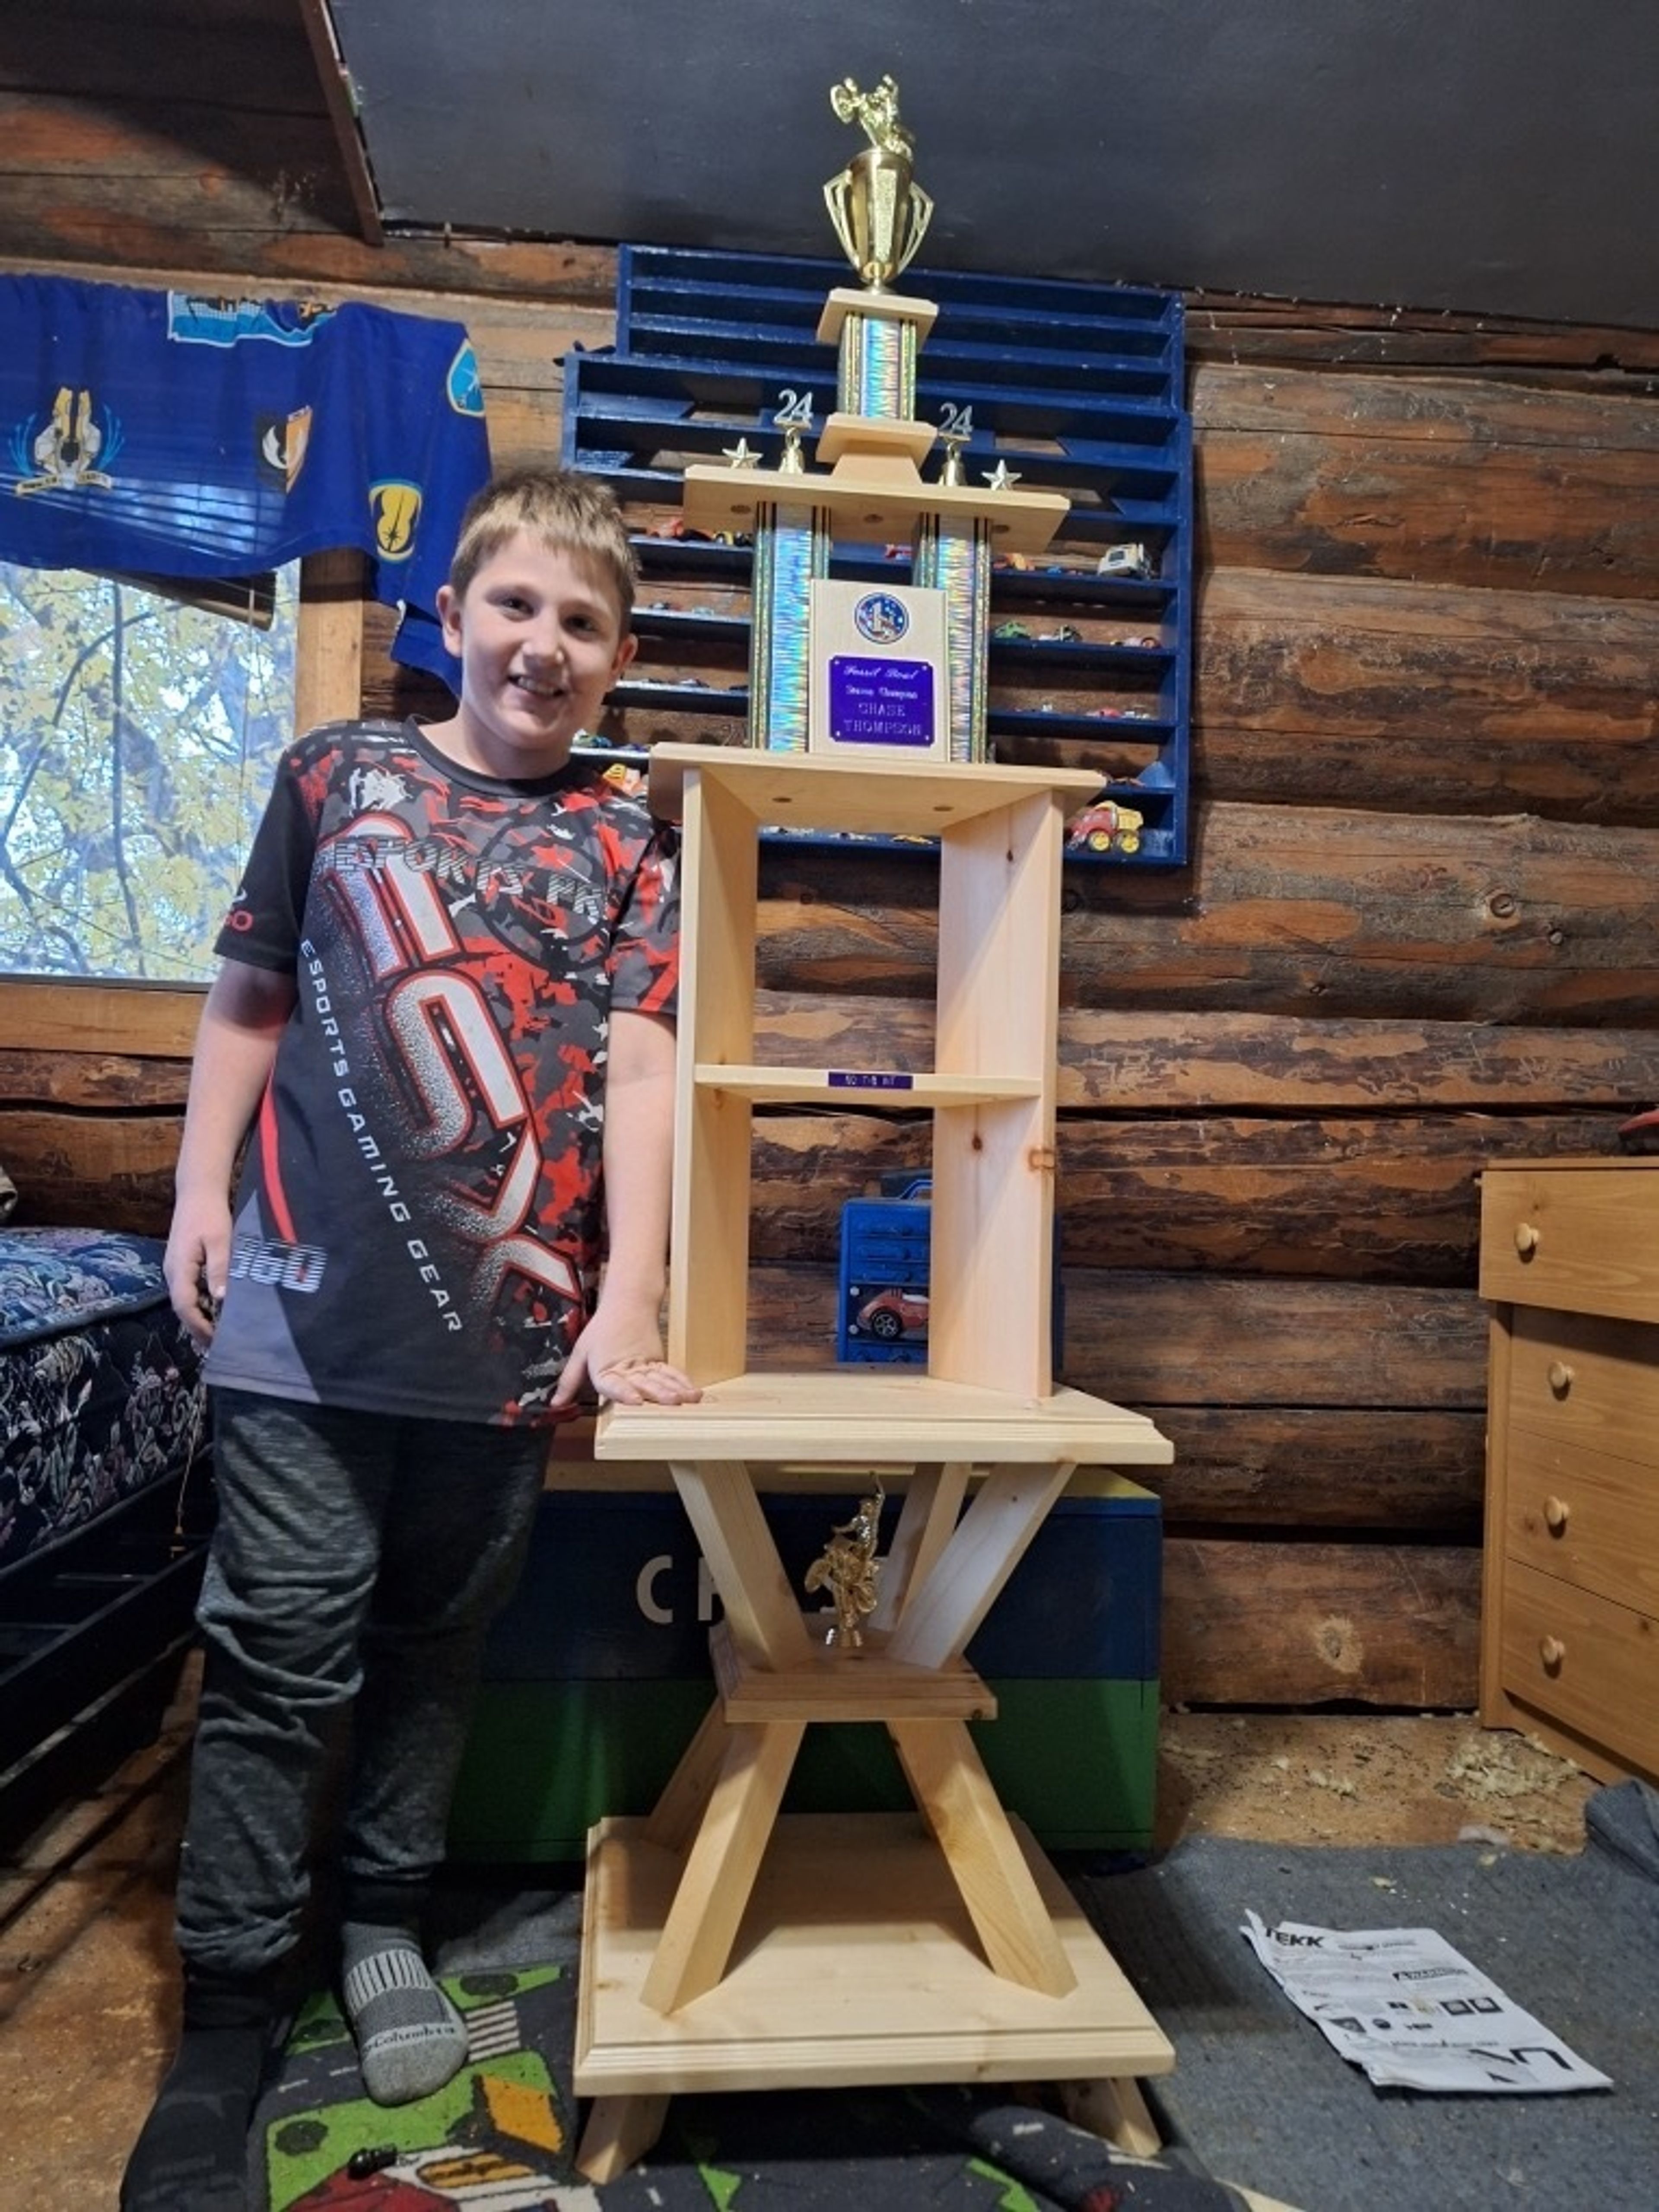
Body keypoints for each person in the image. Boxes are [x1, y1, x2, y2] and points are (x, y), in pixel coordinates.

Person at [121, 464, 699, 2211]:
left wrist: (633, 1296)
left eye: (583, 621)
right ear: (446, 618)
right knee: (284, 1644)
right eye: (515, 604)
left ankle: (381, 1922)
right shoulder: (334, 777)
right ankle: (230, 2003)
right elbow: (249, 993)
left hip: (507, 1336)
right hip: (300, 1305)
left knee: (438, 1641)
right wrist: (194, 1193)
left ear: (614, 655)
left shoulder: (631, 835)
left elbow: (650, 1071)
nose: (544, 643)